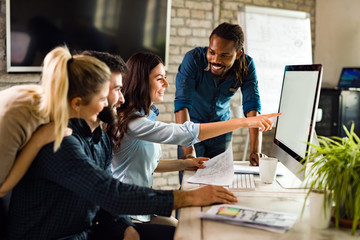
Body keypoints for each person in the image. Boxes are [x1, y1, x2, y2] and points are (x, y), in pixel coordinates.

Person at [7, 48, 238, 240]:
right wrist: (191, 197)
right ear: (81, 100)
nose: (122, 98)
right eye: (116, 90)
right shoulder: (60, 144)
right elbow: (109, 192)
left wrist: (124, 227)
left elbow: (104, 195)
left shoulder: (99, 139)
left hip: (87, 232)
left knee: (182, 233)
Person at [106, 52, 279, 226]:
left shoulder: (142, 118)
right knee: (184, 227)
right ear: (141, 81)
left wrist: (185, 163)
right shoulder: (133, 123)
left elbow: (147, 164)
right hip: (127, 216)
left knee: (181, 224)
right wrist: (244, 122)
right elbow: (184, 133)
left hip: (142, 211)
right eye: (159, 79)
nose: (166, 84)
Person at [174, 22, 263, 167]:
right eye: (212, 52)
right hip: (191, 130)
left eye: (224, 56)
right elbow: (181, 105)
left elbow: (252, 106)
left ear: (238, 54)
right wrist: (189, 152)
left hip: (221, 132)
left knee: (220, 180)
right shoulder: (193, 60)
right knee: (190, 183)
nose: (216, 60)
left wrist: (255, 151)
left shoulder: (246, 65)